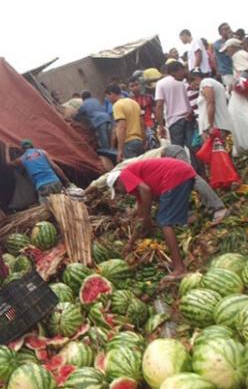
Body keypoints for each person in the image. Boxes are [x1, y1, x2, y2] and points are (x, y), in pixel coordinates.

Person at [87, 144, 227, 224]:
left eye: (117, 189)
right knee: (160, 194)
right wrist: (136, 216)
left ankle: (218, 208)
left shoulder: (123, 170)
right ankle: (188, 215)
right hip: (164, 167)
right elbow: (143, 198)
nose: (120, 192)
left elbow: (101, 180)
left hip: (169, 152)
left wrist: (85, 192)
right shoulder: (130, 176)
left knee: (192, 178)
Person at [107, 158, 197, 278]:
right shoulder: (136, 187)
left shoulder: (125, 174)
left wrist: (147, 216)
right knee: (167, 220)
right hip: (182, 173)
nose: (120, 193)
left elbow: (146, 190)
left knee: (164, 222)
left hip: (175, 175)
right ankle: (176, 262)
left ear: (118, 182)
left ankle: (179, 268)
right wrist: (131, 243)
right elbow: (140, 217)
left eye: (117, 189)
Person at [5, 140, 70, 204]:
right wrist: (66, 181)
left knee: (49, 210)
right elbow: (55, 167)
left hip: (42, 186)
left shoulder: (22, 159)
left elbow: (8, 163)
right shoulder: (42, 152)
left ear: (22, 149)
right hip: (55, 182)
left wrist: (6, 149)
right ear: (32, 146)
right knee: (63, 204)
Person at [155, 61, 196, 153]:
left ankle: (182, 167)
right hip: (188, 118)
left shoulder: (161, 84)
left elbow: (159, 105)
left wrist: (161, 126)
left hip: (174, 121)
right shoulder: (184, 83)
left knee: (178, 151)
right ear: (176, 71)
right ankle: (197, 167)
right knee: (193, 147)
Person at [188, 70, 233, 138]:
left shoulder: (206, 82)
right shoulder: (212, 83)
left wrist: (210, 125)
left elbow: (211, 102)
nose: (192, 85)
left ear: (197, 78)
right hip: (216, 126)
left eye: (192, 80)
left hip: (214, 126)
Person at [105, 84, 145, 161]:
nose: (108, 100)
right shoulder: (134, 103)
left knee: (132, 169)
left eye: (108, 97)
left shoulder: (117, 106)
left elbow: (121, 127)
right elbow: (142, 124)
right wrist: (144, 141)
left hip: (129, 143)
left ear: (112, 94)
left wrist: (120, 149)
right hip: (139, 142)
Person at [129, 75, 157, 149]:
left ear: (140, 85)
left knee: (154, 147)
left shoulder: (148, 97)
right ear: (129, 88)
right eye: (132, 86)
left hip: (150, 126)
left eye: (136, 85)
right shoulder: (129, 102)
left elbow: (155, 110)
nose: (135, 87)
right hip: (137, 130)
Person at [213, 22, 235, 93]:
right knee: (232, 92)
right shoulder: (217, 44)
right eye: (225, 29)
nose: (228, 30)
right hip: (227, 72)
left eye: (229, 28)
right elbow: (226, 48)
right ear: (220, 33)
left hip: (238, 70)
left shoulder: (235, 39)